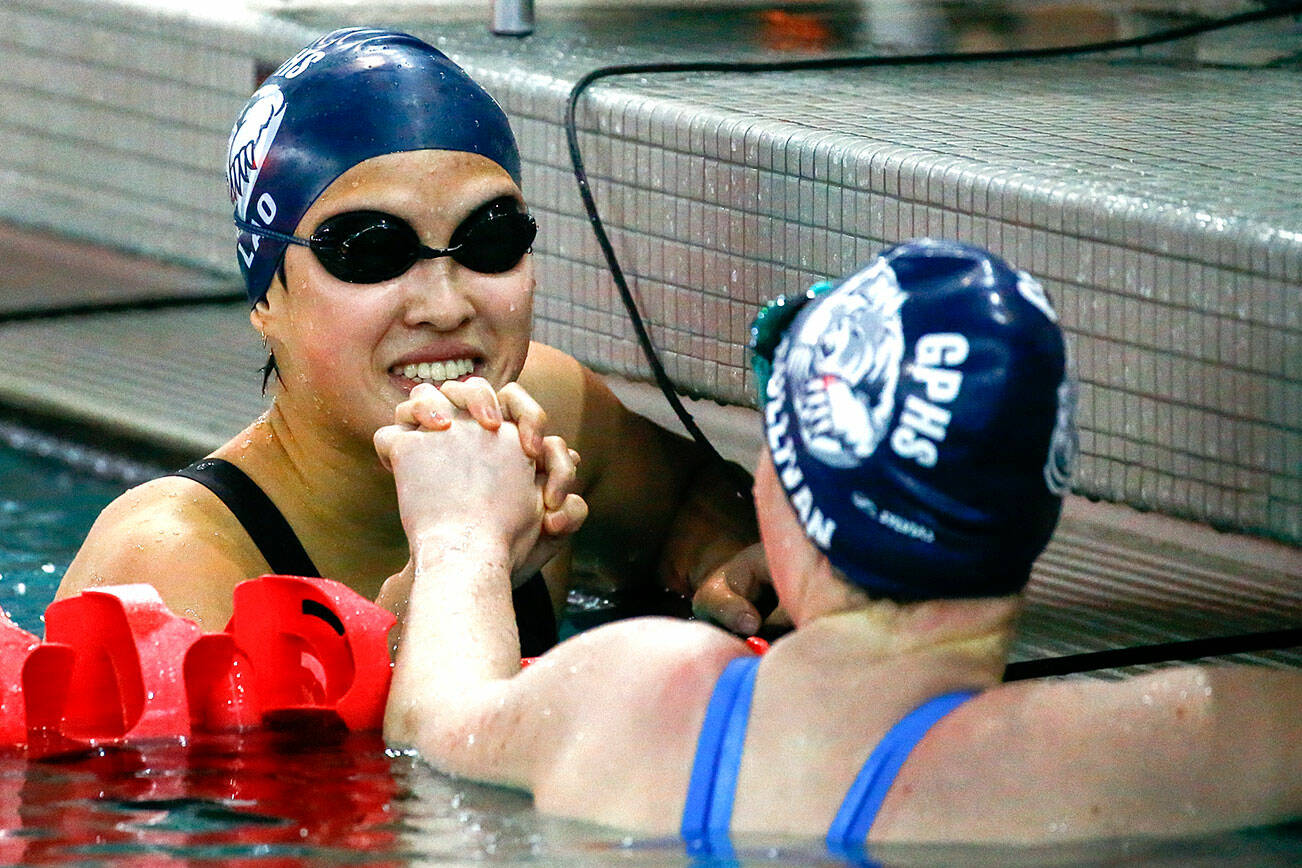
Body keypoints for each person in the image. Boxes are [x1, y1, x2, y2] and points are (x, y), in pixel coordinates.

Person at [378, 239, 1301, 849]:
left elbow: (429, 729)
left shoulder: (630, 695)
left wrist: (461, 534)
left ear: (793, 492)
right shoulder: (1145, 749)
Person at [54, 27, 765, 653]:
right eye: (369, 251)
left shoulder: (550, 417)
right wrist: (455, 573)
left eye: (489, 239)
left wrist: (722, 562)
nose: (444, 305)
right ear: (267, 295)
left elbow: (701, 508)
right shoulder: (168, 571)